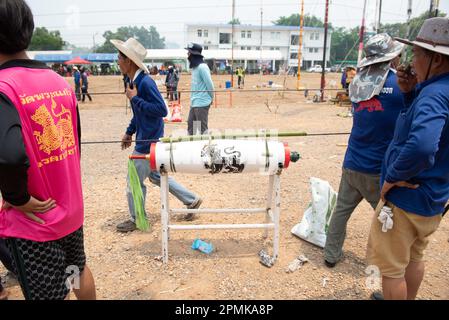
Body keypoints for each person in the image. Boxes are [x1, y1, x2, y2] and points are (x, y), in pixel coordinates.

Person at [0, 0, 96, 300]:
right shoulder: (59, 82)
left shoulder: (4, 87)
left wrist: (17, 198)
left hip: (36, 221)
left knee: (49, 294)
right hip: (69, 206)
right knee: (77, 269)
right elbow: (74, 143)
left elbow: (10, 155)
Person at [366, 17, 449, 300]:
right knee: (415, 256)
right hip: (433, 198)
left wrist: (392, 177)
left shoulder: (434, 96)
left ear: (436, 60)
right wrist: (411, 92)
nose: (410, 62)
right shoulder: (437, 91)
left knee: (391, 269)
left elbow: (423, 146)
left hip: (406, 198)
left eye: (417, 55)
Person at [323, 34, 405, 269]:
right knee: (387, 218)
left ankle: (331, 255)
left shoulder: (357, 82)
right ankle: (386, 265)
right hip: (377, 169)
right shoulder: (400, 85)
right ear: (391, 57)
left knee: (341, 211)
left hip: (352, 162)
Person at [111, 38, 203, 233]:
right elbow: (140, 114)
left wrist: (135, 98)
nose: (117, 60)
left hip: (148, 142)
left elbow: (162, 110)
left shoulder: (145, 83)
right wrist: (129, 132)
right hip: (148, 138)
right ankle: (191, 200)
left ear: (129, 61)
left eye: (119, 57)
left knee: (134, 180)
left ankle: (137, 219)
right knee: (155, 175)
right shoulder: (134, 82)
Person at [185, 43, 214, 135]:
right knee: (192, 127)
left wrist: (211, 98)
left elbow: (210, 85)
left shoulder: (202, 67)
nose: (187, 55)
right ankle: (193, 145)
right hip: (194, 102)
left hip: (202, 103)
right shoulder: (195, 68)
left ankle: (204, 146)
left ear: (193, 54)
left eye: (188, 53)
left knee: (202, 129)